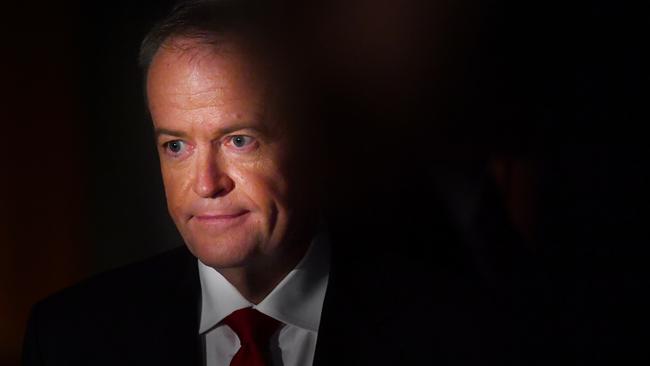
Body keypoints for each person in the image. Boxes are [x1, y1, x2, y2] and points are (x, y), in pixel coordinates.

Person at [22, 1, 540, 365]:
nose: (205, 183)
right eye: (176, 145)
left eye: (239, 140)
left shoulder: (458, 332)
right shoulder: (71, 336)